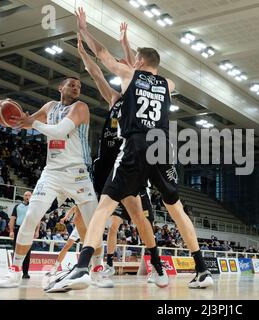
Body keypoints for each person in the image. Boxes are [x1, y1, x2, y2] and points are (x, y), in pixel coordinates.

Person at [45, 8, 213, 292]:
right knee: (177, 210)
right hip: (162, 147)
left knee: (104, 207)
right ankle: (202, 269)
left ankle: (83, 266)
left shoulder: (128, 74)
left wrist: (85, 29)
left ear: (138, 61)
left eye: (134, 58)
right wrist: (127, 46)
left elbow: (102, 55)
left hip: (136, 145)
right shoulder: (168, 84)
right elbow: (145, 70)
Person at [0, 75, 100, 288]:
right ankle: (14, 271)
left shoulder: (81, 107)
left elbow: (60, 131)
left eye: (79, 86)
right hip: (51, 172)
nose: (76, 87)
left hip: (78, 172)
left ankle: (97, 270)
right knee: (31, 217)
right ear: (61, 87)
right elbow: (27, 123)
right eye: (71, 84)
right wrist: (15, 118)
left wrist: (33, 123)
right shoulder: (50, 106)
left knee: (93, 225)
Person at [76, 29, 157, 280]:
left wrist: (125, 46)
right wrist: (82, 53)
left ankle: (155, 263)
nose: (123, 68)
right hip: (105, 163)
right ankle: (94, 262)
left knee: (137, 216)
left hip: (128, 160)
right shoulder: (115, 99)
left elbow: (135, 67)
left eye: (127, 65)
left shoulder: (139, 91)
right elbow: (96, 73)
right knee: (86, 214)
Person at [8, 191, 36, 279]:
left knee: (27, 252)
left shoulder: (34, 207)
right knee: (16, 250)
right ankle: (15, 271)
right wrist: (11, 231)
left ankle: (25, 273)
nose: (27, 196)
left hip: (29, 230)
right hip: (18, 229)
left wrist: (37, 231)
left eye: (29, 195)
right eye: (26, 195)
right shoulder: (17, 206)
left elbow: (37, 220)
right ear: (23, 197)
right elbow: (12, 219)